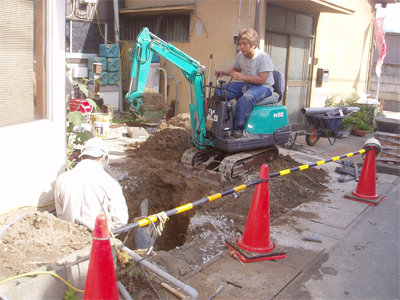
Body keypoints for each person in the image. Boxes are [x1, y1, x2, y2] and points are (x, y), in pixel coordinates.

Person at [55, 138, 128, 230]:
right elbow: (121, 222)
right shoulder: (110, 183)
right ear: (103, 158)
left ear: (82, 157)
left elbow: (60, 217)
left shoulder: (62, 179)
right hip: (99, 241)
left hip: (70, 239)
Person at [214, 28, 274, 138]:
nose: (241, 47)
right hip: (247, 84)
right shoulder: (240, 56)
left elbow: (262, 79)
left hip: (264, 87)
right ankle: (220, 123)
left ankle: (238, 129)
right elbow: (235, 69)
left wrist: (242, 77)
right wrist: (224, 72)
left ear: (254, 44)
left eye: (244, 44)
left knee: (246, 98)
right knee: (219, 90)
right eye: (240, 44)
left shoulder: (263, 57)